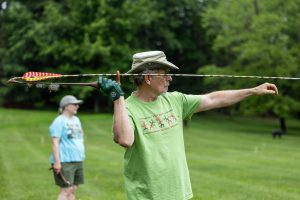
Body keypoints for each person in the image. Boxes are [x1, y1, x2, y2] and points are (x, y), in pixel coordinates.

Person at [98, 51, 278, 200]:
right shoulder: (127, 108)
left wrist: (252, 91)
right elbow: (125, 139)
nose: (170, 78)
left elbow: (213, 98)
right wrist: (118, 98)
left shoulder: (175, 100)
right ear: (148, 77)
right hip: (146, 196)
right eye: (165, 73)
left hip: (179, 193)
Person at [49, 95, 85, 200]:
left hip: (78, 159)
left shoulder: (76, 119)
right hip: (65, 161)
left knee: (73, 188)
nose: (77, 106)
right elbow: (55, 142)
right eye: (74, 104)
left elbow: (80, 135)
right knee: (66, 190)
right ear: (66, 106)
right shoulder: (59, 121)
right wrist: (57, 162)